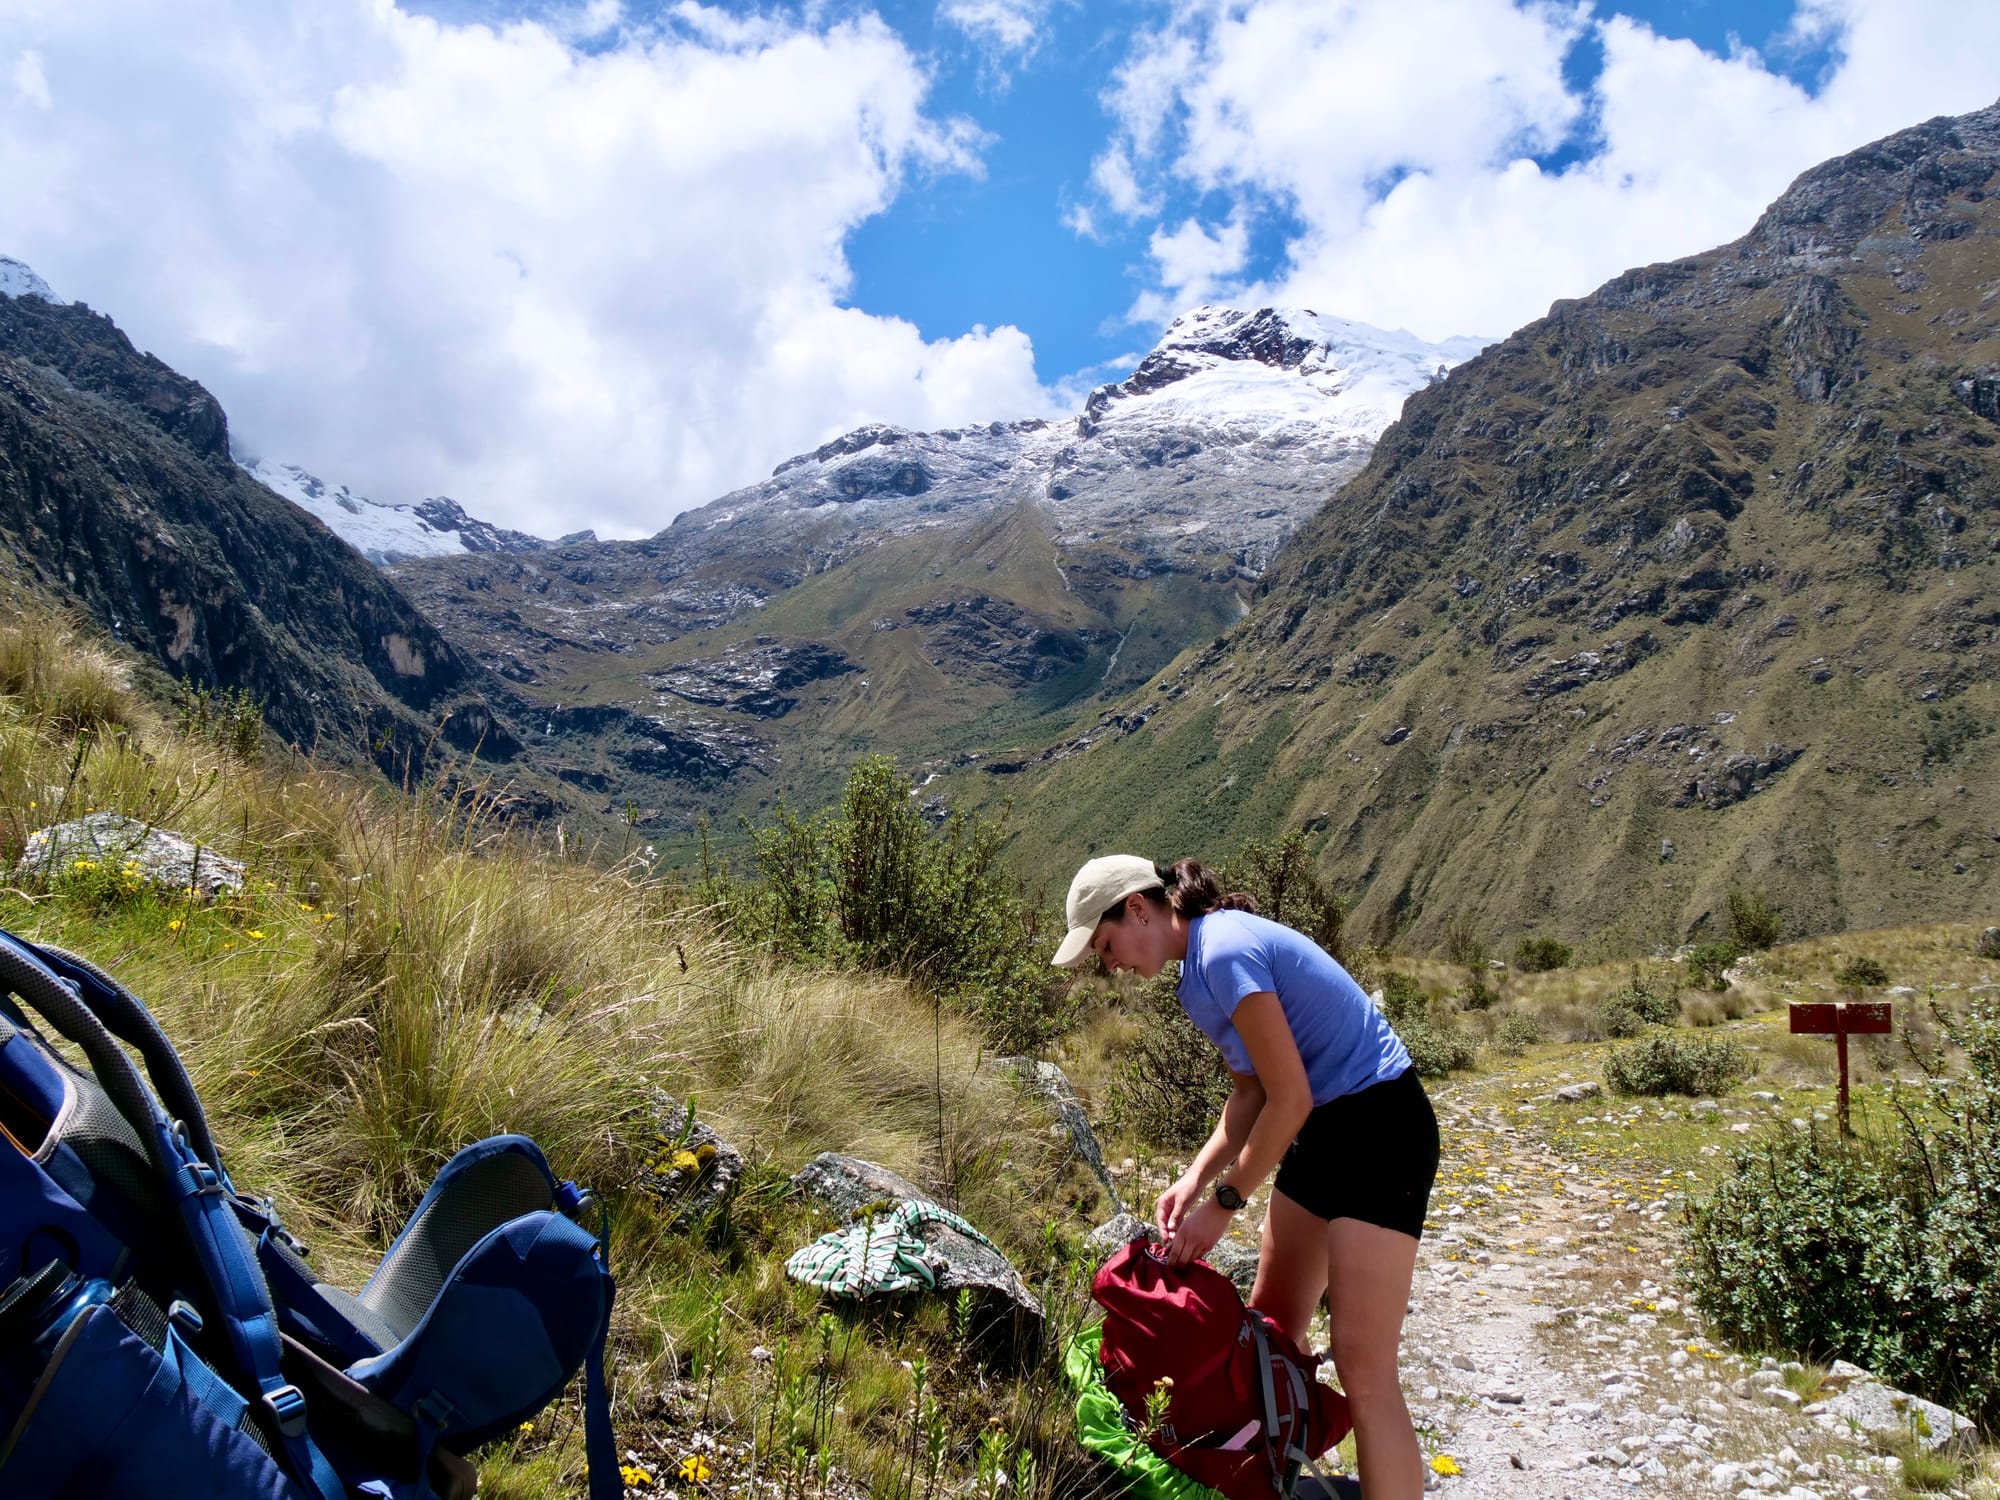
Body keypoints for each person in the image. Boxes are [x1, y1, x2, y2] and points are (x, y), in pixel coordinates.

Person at [1052, 853, 1440, 1500]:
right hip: (1325, 1130)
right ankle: (1270, 1484)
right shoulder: (1194, 976)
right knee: (1269, 1329)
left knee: (1364, 1370)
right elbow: (1250, 1098)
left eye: (1105, 942)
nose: (1107, 961)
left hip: (1380, 1128)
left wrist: (1224, 1204)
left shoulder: (1225, 952)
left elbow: (1290, 1098)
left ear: (1139, 908)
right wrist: (1193, 1180)